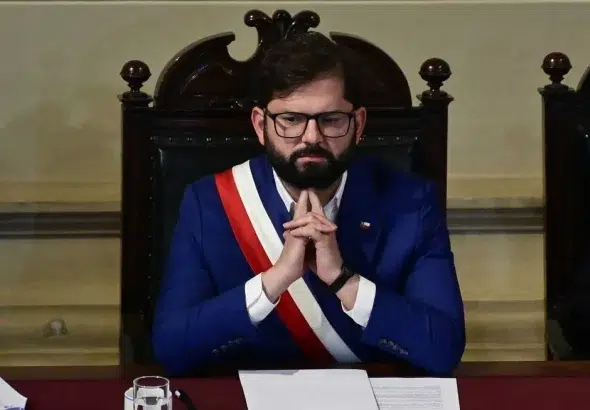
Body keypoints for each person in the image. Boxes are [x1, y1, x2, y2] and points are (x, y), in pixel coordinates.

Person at [152, 32, 465, 376]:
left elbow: (443, 349)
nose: (311, 137)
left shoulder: (410, 203)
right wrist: (276, 280)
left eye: (331, 119)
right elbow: (172, 348)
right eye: (291, 120)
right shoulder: (208, 202)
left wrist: (343, 281)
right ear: (261, 125)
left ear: (357, 124)